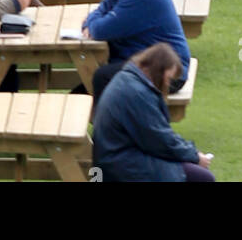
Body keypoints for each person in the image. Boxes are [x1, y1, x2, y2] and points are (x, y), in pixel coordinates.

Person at [92, 43, 215, 183]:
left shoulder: (128, 80)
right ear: (159, 70)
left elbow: (158, 135)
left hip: (118, 157)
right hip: (123, 165)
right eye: (168, 79)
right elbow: (160, 140)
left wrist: (190, 153)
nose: (168, 85)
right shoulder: (138, 94)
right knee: (203, 178)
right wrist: (195, 156)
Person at [82, 0, 190, 105]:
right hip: (144, 60)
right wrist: (92, 24)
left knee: (103, 76)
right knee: (81, 91)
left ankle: (110, 127)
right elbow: (100, 12)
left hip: (168, 71)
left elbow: (101, 30)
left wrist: (91, 25)